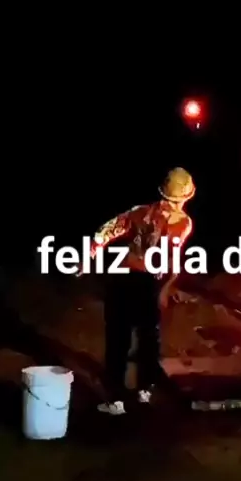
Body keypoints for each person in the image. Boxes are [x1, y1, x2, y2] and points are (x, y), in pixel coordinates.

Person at [89, 167, 195, 415]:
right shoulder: (180, 223)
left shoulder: (145, 213)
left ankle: (124, 396)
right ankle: (137, 392)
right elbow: (172, 261)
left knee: (127, 339)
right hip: (140, 281)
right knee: (139, 338)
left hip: (131, 280)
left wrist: (90, 252)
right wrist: (166, 288)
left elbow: (108, 230)